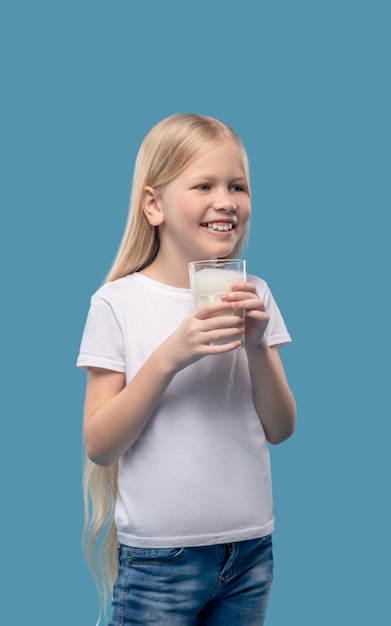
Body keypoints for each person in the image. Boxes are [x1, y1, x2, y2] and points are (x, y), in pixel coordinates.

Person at [77, 113, 296, 626]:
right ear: (154, 204)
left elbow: (281, 429)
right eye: (204, 185)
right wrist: (171, 355)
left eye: (237, 186)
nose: (226, 200)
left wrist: (258, 346)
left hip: (249, 553)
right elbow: (99, 444)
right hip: (160, 562)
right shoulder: (118, 303)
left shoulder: (254, 294)